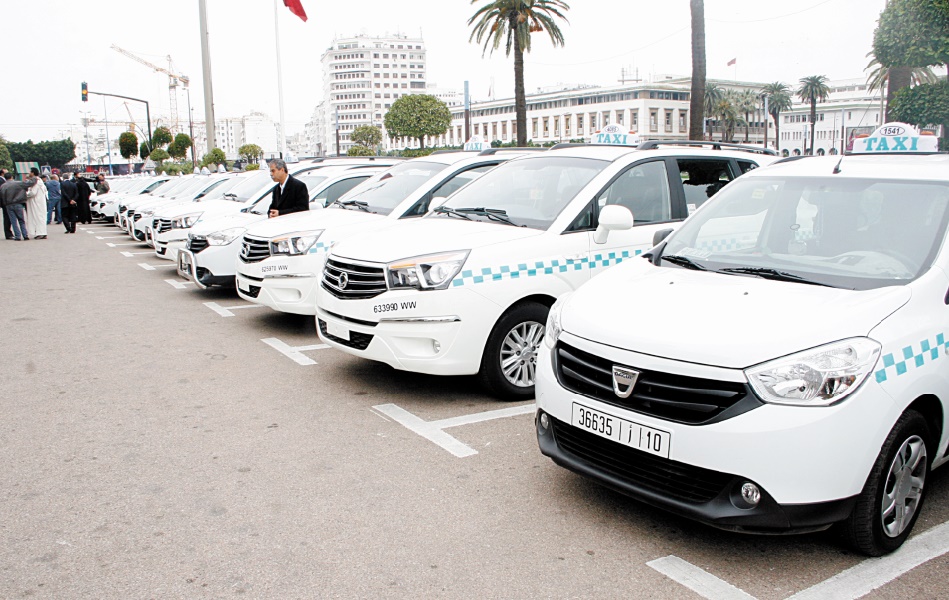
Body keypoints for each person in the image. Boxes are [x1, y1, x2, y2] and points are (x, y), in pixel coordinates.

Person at [0, 172, 31, 240]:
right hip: (18, 203)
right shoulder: (18, 183)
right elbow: (28, 184)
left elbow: (1, 196)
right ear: (12, 177)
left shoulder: (2, 186)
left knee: (13, 221)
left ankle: (17, 236)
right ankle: (25, 235)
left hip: (8, 205)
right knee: (21, 220)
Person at [25, 167, 49, 239]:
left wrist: (25, 194)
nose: (29, 173)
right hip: (39, 202)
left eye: (30, 172)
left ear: (33, 173)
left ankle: (41, 233)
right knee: (40, 217)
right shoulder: (39, 180)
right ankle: (42, 232)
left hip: (36, 202)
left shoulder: (36, 181)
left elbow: (33, 192)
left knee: (37, 217)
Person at [0, 168, 12, 239]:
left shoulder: (3, 180)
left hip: (5, 201)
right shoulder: (1, 181)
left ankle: (8, 233)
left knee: (8, 217)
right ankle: (8, 234)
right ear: (2, 173)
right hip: (5, 201)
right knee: (7, 217)